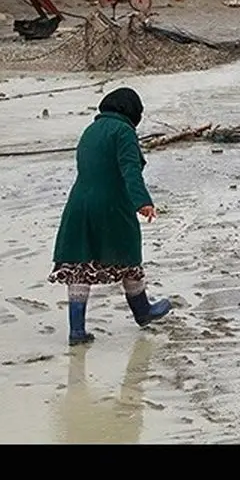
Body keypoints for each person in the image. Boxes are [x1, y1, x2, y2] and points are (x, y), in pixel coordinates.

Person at [48, 87, 172, 346]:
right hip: (111, 204)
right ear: (132, 111)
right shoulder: (123, 132)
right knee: (128, 256)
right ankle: (143, 311)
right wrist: (142, 201)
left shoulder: (90, 130)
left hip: (78, 203)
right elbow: (130, 170)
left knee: (80, 263)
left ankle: (77, 330)